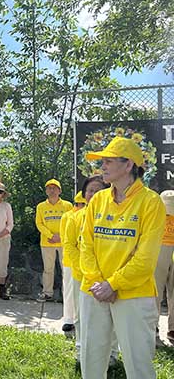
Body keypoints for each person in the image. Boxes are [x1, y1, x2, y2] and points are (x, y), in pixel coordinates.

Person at [79, 136, 165, 379]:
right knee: (91, 361)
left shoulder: (150, 202)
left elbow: (145, 259)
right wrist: (100, 284)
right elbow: (86, 245)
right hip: (94, 290)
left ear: (128, 165)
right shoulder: (98, 200)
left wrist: (113, 284)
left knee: (139, 367)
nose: (102, 167)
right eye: (102, 161)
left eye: (108, 161)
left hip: (134, 294)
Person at [63, 175, 112, 363]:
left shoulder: (111, 218)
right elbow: (70, 246)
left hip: (108, 278)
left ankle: (111, 355)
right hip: (81, 277)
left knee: (110, 317)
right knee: (81, 316)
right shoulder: (75, 218)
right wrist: (84, 271)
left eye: (98, 189)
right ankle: (81, 351)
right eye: (90, 190)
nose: (94, 194)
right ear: (84, 194)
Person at [35, 179, 73, 302]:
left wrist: (61, 236)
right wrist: (50, 236)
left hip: (64, 242)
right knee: (48, 269)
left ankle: (66, 294)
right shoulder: (41, 206)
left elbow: (71, 222)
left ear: (60, 191)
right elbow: (39, 224)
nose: (52, 190)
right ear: (46, 191)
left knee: (66, 269)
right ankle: (47, 293)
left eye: (54, 188)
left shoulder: (68, 206)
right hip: (47, 243)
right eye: (49, 188)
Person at [59, 191, 86, 334]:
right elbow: (66, 240)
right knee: (70, 291)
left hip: (89, 263)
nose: (81, 206)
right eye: (80, 204)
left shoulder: (91, 215)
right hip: (71, 261)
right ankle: (69, 320)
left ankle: (82, 319)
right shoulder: (68, 216)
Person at [156, 190, 174, 346]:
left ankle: (173, 329)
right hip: (159, 250)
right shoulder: (154, 215)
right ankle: (152, 327)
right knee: (154, 290)